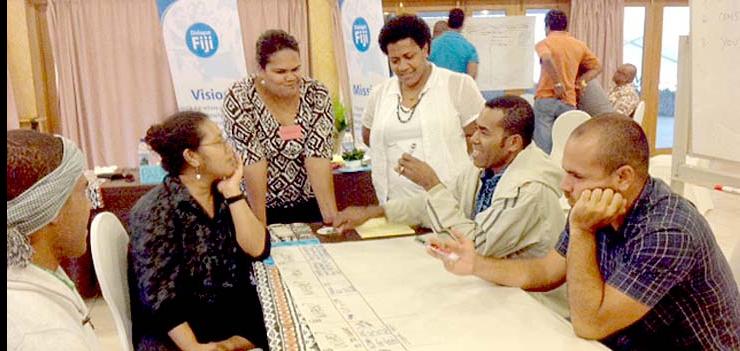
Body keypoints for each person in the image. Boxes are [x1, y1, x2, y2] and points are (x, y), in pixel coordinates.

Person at [429, 115, 740, 350]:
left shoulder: (667, 231)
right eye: (566, 171)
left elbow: (590, 323)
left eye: (577, 176)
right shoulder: (595, 204)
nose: (565, 185)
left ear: (623, 177)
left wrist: (581, 230)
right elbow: (547, 270)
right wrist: (476, 264)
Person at [336, 96, 564, 259]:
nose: (473, 139)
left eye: (484, 132)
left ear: (513, 143)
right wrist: (374, 212)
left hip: (529, 300)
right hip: (490, 282)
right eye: (475, 129)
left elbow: (478, 245)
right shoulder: (484, 168)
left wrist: (431, 184)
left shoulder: (529, 189)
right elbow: (436, 204)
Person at [129, 112, 270, 351]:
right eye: (219, 142)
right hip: (180, 332)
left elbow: (257, 249)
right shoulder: (155, 209)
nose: (229, 149)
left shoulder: (222, 194)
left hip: (225, 315)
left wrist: (233, 191)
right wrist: (195, 348)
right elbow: (160, 296)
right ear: (192, 156)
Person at [363, 14, 485, 203]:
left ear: (425, 49)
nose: (403, 67)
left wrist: (451, 163)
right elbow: (369, 135)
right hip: (395, 206)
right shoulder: (379, 94)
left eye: (409, 57)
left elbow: (479, 138)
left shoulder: (458, 85)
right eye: (394, 60)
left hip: (448, 204)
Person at [223, 29, 337, 225]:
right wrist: (259, 226)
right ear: (261, 69)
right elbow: (253, 162)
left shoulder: (316, 93)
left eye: (295, 69)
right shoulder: (240, 97)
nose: (291, 77)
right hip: (257, 205)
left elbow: (318, 156)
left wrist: (331, 218)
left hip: (308, 203)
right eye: (280, 72)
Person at [7, 130, 100, 350]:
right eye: (82, 192)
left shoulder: (36, 269)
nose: (90, 206)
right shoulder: (45, 337)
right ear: (52, 209)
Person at [533, 9, 601, 154]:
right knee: (566, 143)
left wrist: (557, 83)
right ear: (566, 26)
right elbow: (597, 67)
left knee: (544, 147)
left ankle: (545, 174)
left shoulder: (544, 43)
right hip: (568, 99)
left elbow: (546, 59)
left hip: (545, 98)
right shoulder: (578, 45)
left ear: (547, 26)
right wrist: (580, 82)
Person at [429, 8, 479, 79]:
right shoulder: (469, 48)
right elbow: (471, 78)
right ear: (462, 25)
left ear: (448, 22)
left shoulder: (432, 45)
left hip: (437, 88)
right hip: (459, 88)